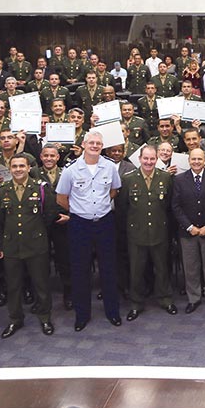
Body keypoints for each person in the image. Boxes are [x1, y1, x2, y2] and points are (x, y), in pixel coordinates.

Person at [56, 130, 123, 331]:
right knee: (80, 270)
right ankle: (82, 314)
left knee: (109, 268)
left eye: (98, 143)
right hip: (80, 224)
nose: (95, 146)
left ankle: (113, 312)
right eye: (91, 142)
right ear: (83, 144)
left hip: (104, 222)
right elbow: (61, 198)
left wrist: (97, 208)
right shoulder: (70, 170)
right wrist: (78, 210)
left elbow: (114, 191)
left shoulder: (110, 167)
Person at [0, 155, 57, 338]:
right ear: (10, 168)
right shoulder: (3, 190)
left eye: (22, 166)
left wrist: (38, 232)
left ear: (29, 168)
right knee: (13, 286)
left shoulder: (40, 188)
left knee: (41, 284)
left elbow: (50, 215)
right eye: (14, 166)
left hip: (36, 244)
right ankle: (15, 319)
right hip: (12, 245)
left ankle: (45, 317)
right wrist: (0, 246)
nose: (18, 169)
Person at [121, 145, 177, 321]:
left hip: (160, 232)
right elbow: (123, 209)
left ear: (157, 160)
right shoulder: (128, 179)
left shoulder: (166, 177)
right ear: (139, 159)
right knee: (136, 270)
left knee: (162, 269)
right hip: (136, 234)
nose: (149, 162)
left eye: (152, 159)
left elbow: (169, 206)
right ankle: (136, 303)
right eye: (145, 158)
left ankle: (165, 299)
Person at [172, 148, 205, 314]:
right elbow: (176, 206)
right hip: (188, 232)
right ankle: (193, 298)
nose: (196, 162)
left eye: (199, 159)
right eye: (193, 159)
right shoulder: (179, 180)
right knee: (191, 267)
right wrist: (190, 227)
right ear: (189, 161)